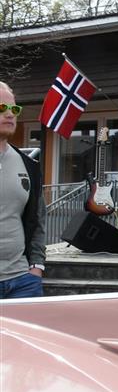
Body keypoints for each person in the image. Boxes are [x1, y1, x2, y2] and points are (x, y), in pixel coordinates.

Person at [0, 81, 47, 299]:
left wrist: (36, 268)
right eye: (2, 108)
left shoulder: (28, 165)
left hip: (22, 282)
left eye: (14, 109)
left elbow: (37, 220)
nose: (10, 114)